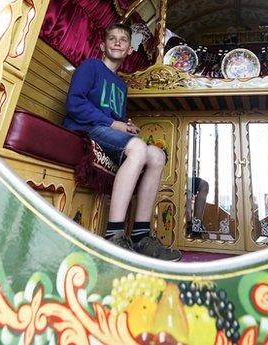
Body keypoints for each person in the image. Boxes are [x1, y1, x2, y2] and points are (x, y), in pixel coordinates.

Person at [64, 23, 182, 261]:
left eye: (123, 39)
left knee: (157, 156)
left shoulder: (120, 85)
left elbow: (115, 119)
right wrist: (115, 125)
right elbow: (74, 104)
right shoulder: (91, 67)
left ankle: (140, 235)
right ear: (102, 45)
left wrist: (125, 126)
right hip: (85, 128)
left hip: (106, 130)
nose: (118, 42)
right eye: (112, 38)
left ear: (129, 50)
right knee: (137, 147)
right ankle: (114, 234)